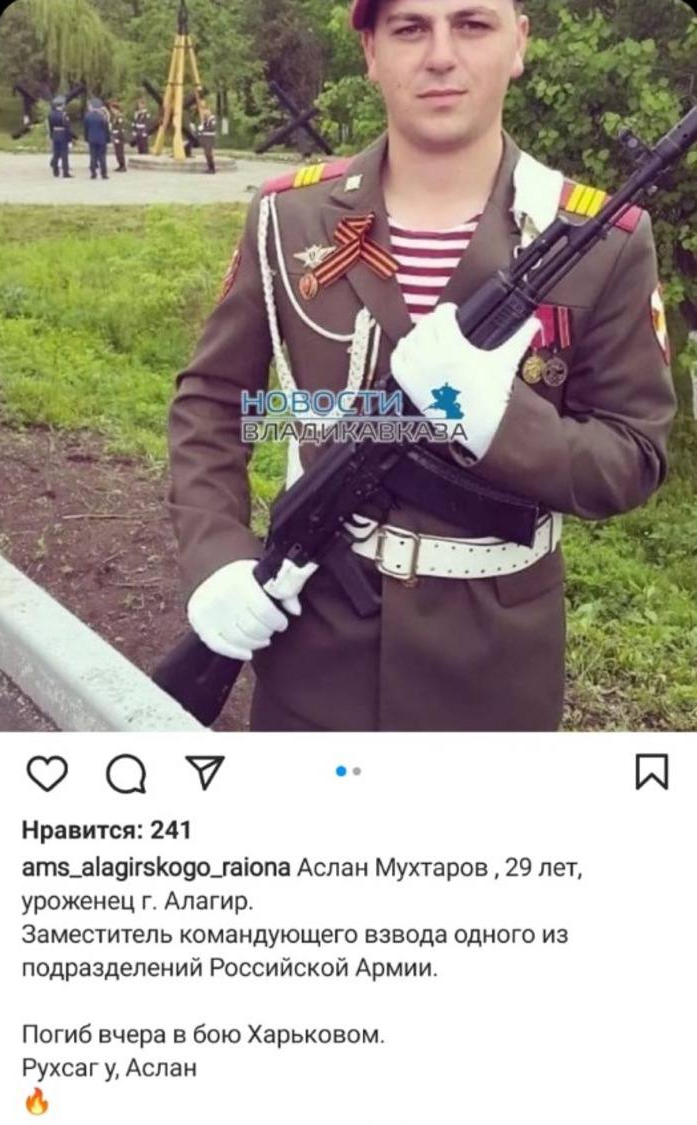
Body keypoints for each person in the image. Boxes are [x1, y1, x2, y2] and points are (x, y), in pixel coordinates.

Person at [167, 0, 676, 732]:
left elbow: (633, 456)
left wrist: (496, 422)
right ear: (371, 53)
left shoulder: (605, 240)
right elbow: (216, 402)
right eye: (410, 28)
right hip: (315, 648)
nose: (440, 55)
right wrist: (218, 554)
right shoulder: (289, 217)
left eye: (472, 24)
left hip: (494, 669)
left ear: (518, 44)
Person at [83, 97, 111, 180]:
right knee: (102, 156)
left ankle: (93, 173)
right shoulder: (103, 116)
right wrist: (108, 139)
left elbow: (86, 129)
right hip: (102, 139)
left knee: (93, 156)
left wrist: (86, 138)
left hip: (92, 138)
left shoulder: (87, 116)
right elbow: (106, 129)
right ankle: (104, 173)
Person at [47, 96, 73, 179]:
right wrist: (70, 140)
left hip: (55, 134)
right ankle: (65, 172)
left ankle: (55, 171)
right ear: (62, 105)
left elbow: (50, 127)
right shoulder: (64, 115)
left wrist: (51, 136)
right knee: (64, 154)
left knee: (56, 153)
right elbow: (67, 128)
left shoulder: (51, 114)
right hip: (63, 134)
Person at [198, 105, 217, 173]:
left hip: (210, 138)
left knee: (209, 153)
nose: (205, 112)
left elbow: (212, 128)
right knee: (206, 154)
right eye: (204, 111)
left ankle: (212, 168)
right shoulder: (206, 120)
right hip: (205, 138)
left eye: (206, 111)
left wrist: (204, 128)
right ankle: (209, 168)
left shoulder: (212, 119)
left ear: (209, 111)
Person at [109, 101, 128, 172]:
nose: (111, 110)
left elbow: (120, 128)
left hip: (119, 137)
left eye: (112, 109)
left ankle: (123, 166)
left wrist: (118, 137)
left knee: (120, 152)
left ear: (115, 108)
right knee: (117, 152)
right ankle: (120, 165)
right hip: (115, 136)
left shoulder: (120, 116)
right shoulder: (115, 116)